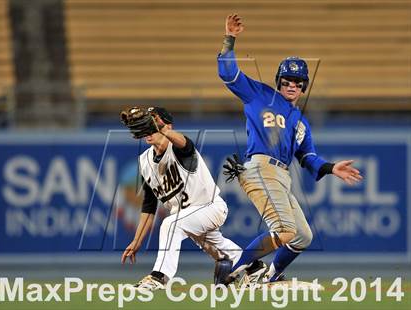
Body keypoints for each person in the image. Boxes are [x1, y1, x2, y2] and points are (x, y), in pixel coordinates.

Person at [217, 14, 363, 286]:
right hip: (260, 167)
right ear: (278, 82)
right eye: (287, 80)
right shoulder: (259, 94)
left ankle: (269, 277)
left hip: (281, 177)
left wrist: (331, 168)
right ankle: (230, 271)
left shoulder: (300, 121)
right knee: (284, 230)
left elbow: (308, 157)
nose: (292, 85)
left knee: (302, 236)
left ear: (304, 86)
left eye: (297, 82)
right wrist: (230, 39)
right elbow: (228, 74)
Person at [120, 106, 241, 290]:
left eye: (154, 121)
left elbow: (184, 142)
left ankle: (159, 276)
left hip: (210, 207)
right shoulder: (145, 161)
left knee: (171, 224)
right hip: (189, 218)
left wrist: (161, 128)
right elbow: (149, 206)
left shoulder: (179, 149)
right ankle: (254, 267)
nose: (148, 127)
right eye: (147, 123)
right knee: (221, 250)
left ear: (168, 126)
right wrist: (137, 241)